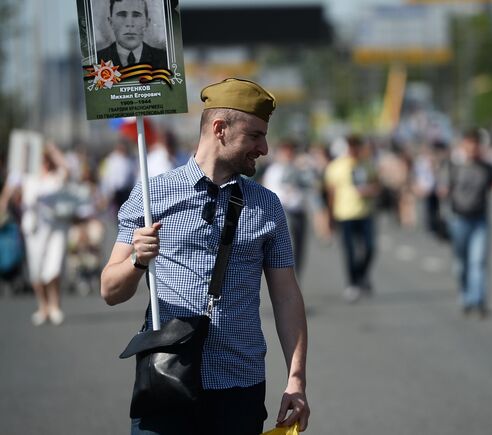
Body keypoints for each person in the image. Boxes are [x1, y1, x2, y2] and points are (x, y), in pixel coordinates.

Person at [100, 78, 309, 434]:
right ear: (220, 129)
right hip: (166, 376)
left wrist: (296, 380)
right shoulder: (153, 195)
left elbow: (287, 296)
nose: (264, 147)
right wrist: (138, 259)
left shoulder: (267, 206)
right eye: (255, 135)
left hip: (239, 385)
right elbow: (110, 290)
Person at [1, 142, 72, 325]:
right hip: (34, 229)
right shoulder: (27, 177)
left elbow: (67, 169)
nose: (44, 163)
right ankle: (43, 306)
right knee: (37, 269)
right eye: (41, 160)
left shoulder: (56, 177)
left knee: (54, 267)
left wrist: (53, 150)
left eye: (46, 160)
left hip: (56, 228)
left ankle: (55, 306)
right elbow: (11, 190)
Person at [441, 128, 492, 317]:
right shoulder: (454, 166)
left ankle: (478, 300)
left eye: (476, 143)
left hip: (479, 220)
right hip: (459, 219)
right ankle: (465, 295)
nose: (472, 147)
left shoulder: (488, 168)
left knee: (478, 260)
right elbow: (444, 189)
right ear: (463, 145)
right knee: (461, 263)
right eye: (469, 143)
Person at [324, 135, 379, 302]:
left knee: (370, 248)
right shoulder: (336, 167)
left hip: (365, 213)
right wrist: (330, 216)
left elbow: (377, 185)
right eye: (352, 146)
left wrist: (371, 190)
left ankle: (361, 274)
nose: (355, 150)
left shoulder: (367, 164)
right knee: (350, 250)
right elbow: (331, 193)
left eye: (358, 146)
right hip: (345, 214)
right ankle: (353, 283)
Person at [261, 139, 312, 276]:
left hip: (299, 211)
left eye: (291, 151)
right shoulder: (274, 170)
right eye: (286, 151)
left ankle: (297, 277)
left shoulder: (301, 168)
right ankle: (289, 278)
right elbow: (269, 190)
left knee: (300, 248)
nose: (288, 154)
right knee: (289, 247)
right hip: (283, 212)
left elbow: (311, 185)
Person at [97, 0, 167, 69]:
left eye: (136, 15)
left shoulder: (165, 58)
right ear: (111, 22)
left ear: (147, 23)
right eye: (122, 15)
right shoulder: (97, 59)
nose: (129, 23)